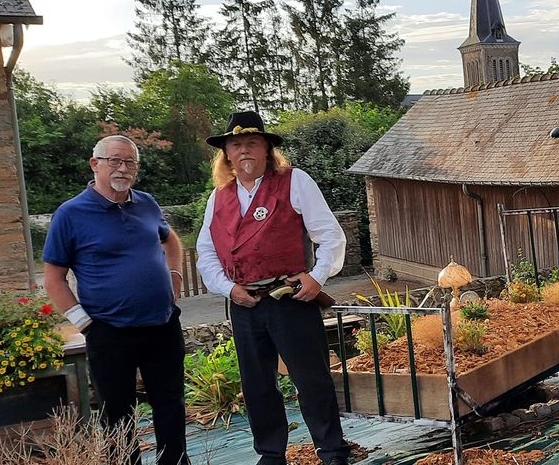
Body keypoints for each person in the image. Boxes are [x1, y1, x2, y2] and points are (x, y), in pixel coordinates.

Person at [195, 111, 349, 465]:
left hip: (290, 298)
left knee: (311, 380)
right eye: (236, 145)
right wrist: (228, 289)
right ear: (227, 155)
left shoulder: (295, 181)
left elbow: (330, 236)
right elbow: (206, 253)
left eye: (252, 143)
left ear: (266, 149)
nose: (244, 150)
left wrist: (316, 277)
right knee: (257, 384)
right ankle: (270, 454)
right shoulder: (218, 198)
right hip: (244, 303)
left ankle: (332, 451)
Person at [42, 135, 189, 465]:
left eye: (130, 162)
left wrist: (174, 277)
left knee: (170, 404)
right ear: (95, 164)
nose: (123, 168)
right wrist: (85, 324)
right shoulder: (71, 214)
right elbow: (54, 279)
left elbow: (171, 241)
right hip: (109, 332)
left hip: (163, 325)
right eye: (115, 161)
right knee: (117, 414)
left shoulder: (147, 203)